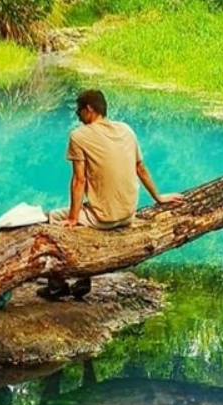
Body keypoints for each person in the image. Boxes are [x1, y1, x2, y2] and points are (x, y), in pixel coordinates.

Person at [43, 89, 184, 299]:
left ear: (89, 110)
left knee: (50, 222)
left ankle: (58, 285)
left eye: (78, 112)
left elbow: (79, 180)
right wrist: (159, 197)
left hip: (104, 217)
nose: (78, 117)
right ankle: (83, 279)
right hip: (128, 213)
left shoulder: (79, 136)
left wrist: (73, 218)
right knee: (83, 215)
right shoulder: (126, 130)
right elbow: (141, 168)